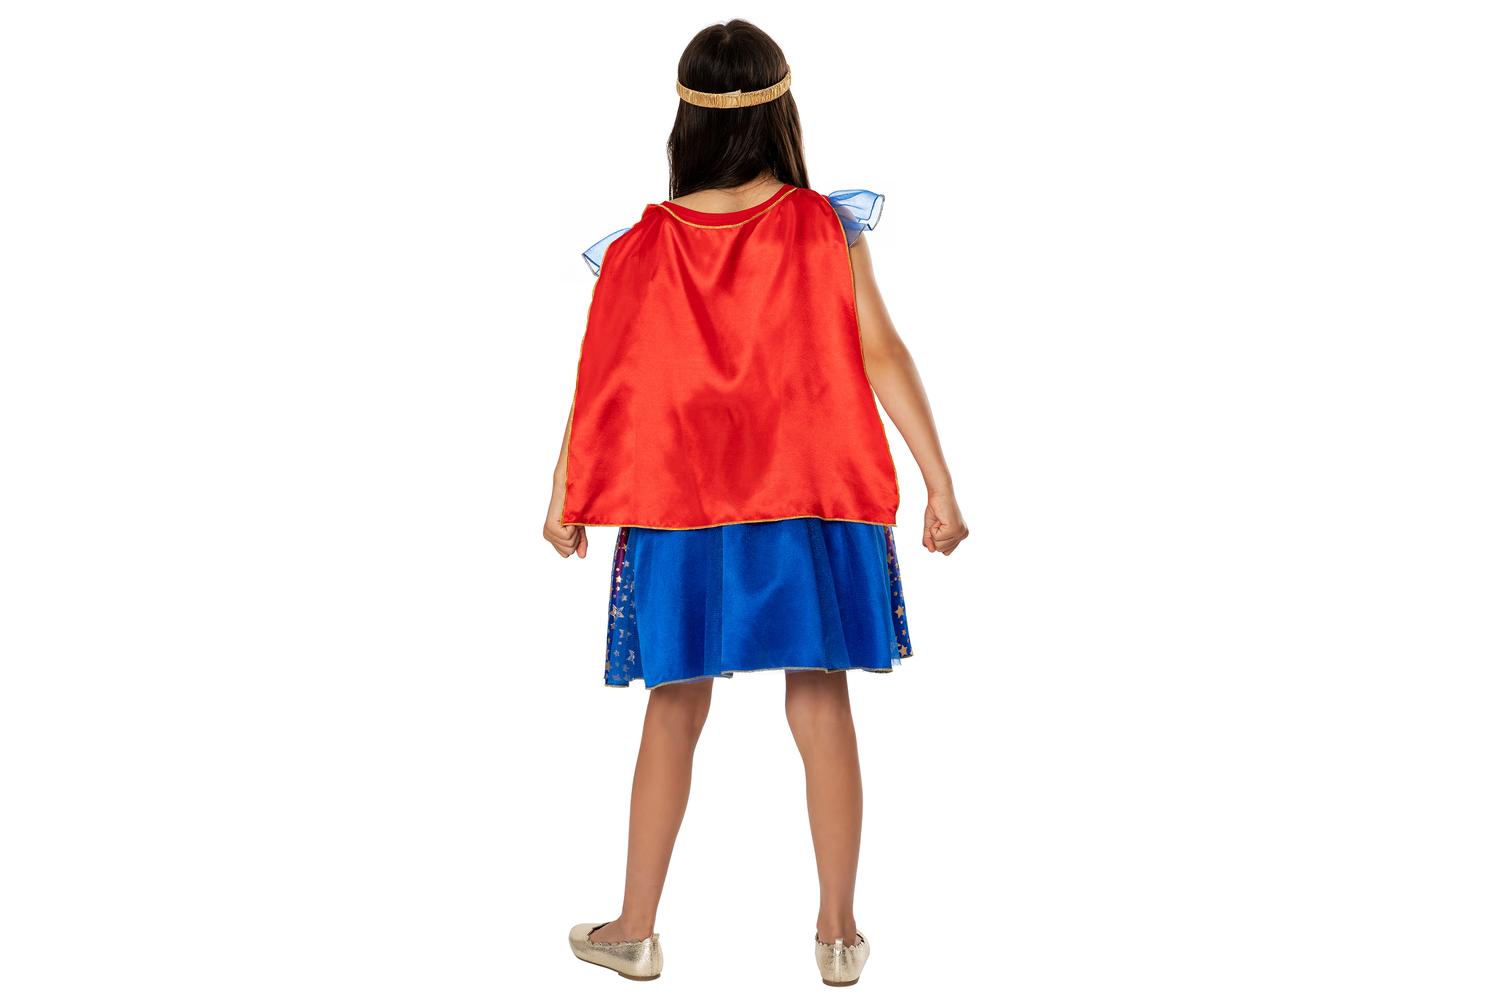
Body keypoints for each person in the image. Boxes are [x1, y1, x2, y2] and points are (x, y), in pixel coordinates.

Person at [543, 19, 968, 987]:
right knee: (820, 698)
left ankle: (634, 929)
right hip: (806, 496)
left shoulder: (644, 247)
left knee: (673, 706)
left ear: (685, 119)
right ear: (782, 110)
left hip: (681, 505)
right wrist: (938, 479)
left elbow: (601, 376)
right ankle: (838, 934)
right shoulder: (825, 226)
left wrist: (564, 488)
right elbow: (881, 350)